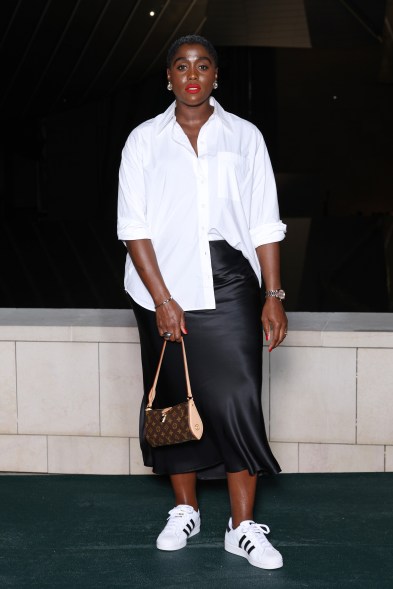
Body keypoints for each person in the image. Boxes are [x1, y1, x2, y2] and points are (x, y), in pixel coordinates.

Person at [117, 35, 288, 570]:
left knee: (238, 396)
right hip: (159, 281)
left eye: (203, 65)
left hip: (231, 280)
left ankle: (241, 527)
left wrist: (273, 294)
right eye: (181, 66)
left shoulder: (244, 137)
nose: (193, 74)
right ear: (168, 77)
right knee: (174, 399)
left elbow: (265, 220)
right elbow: (133, 227)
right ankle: (185, 510)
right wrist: (163, 298)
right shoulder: (144, 140)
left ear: (216, 76)